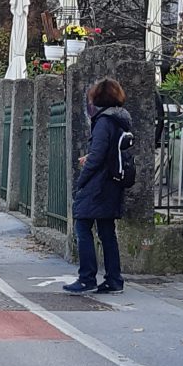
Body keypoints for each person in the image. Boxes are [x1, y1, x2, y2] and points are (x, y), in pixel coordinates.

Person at [63, 78, 131, 295]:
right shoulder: (120, 119)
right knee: (107, 232)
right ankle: (114, 279)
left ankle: (87, 278)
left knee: (82, 226)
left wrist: (81, 181)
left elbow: (99, 155)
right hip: (112, 182)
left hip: (98, 184)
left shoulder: (104, 121)